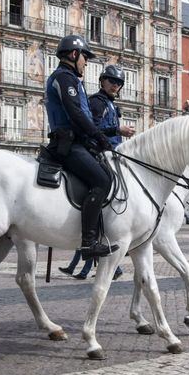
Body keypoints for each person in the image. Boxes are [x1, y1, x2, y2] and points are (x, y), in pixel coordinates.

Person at [45, 34, 118, 260]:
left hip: (78, 142)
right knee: (103, 180)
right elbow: (76, 113)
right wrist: (99, 136)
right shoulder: (64, 78)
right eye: (85, 57)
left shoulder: (73, 80)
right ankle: (88, 243)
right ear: (74, 54)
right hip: (68, 144)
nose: (86, 62)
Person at [60, 65, 135, 280]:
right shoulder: (97, 103)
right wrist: (116, 131)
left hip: (112, 153)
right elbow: (90, 129)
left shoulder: (111, 105)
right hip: (97, 152)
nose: (115, 85)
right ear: (102, 81)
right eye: (112, 81)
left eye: (119, 83)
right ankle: (93, 236)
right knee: (105, 184)